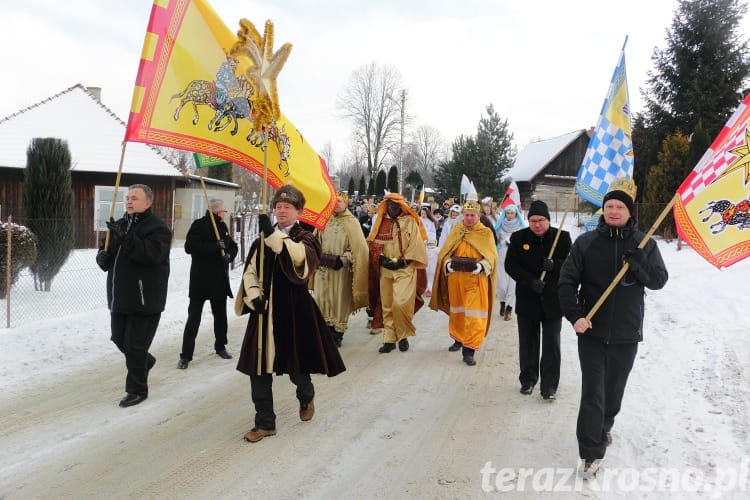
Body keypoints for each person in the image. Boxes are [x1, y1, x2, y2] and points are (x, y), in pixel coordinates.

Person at [558, 179, 668, 476]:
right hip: (591, 331)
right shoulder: (586, 243)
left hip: (626, 333)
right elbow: (566, 283)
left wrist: (639, 264)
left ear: (630, 212)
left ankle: (604, 426)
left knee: (614, 392)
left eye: (620, 207)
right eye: (609, 206)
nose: (615, 211)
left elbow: (658, 281)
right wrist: (575, 316)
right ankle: (590, 453)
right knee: (593, 391)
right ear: (603, 210)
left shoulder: (645, 244)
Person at [235, 184, 346, 443]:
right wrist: (254, 296)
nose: (281, 210)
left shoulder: (306, 238)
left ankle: (306, 396)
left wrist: (273, 237)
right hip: (263, 313)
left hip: (294, 312)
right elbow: (250, 271)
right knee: (258, 369)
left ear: (298, 211)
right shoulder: (263, 239)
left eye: (287, 207)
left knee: (297, 367)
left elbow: (298, 260)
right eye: (278, 206)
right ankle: (265, 423)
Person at [95, 184, 171, 407]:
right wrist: (102, 257)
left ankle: (137, 389)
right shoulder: (119, 226)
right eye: (127, 198)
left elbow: (150, 256)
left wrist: (127, 238)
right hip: (120, 297)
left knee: (135, 346)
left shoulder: (158, 229)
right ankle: (144, 361)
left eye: (134, 198)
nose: (128, 201)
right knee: (119, 339)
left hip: (145, 298)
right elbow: (109, 255)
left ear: (148, 203)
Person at [505, 200, 572, 399]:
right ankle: (528, 380)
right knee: (528, 342)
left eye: (541, 220)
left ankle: (549, 385)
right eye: (533, 220)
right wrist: (530, 281)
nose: (537, 224)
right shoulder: (518, 238)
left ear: (548, 220)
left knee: (552, 344)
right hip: (528, 299)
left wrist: (556, 265)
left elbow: (573, 263)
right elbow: (511, 265)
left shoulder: (563, 238)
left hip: (553, 301)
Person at [430, 194, 497, 366]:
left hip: (475, 280)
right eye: (466, 214)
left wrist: (482, 266)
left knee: (474, 316)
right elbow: (445, 252)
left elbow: (491, 256)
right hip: (456, 280)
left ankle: (470, 349)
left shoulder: (485, 233)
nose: (468, 218)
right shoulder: (456, 230)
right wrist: (447, 264)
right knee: (458, 312)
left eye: (472, 215)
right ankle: (458, 339)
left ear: (479, 216)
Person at [177, 198, 238, 369]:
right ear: (217, 211)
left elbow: (233, 246)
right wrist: (213, 246)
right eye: (223, 211)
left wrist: (229, 256)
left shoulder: (223, 227)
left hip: (219, 280)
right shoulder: (199, 224)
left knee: (220, 318)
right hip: (200, 281)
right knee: (193, 319)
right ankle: (186, 355)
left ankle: (221, 346)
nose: (224, 214)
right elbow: (189, 247)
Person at [367, 193, 428, 353]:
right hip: (385, 269)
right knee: (386, 304)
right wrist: (380, 259)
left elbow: (416, 246)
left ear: (401, 206)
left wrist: (402, 261)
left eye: (395, 205)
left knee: (400, 303)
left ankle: (403, 335)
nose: (392, 208)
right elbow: (372, 244)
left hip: (405, 269)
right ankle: (389, 339)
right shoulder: (380, 222)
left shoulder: (410, 222)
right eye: (389, 205)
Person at [313, 191, 369, 347]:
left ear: (346, 203)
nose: (336, 204)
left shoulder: (352, 222)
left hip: (340, 270)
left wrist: (344, 259)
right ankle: (325, 328)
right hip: (323, 268)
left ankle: (338, 332)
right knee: (322, 298)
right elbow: (314, 240)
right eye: (333, 201)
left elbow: (360, 248)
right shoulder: (324, 220)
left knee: (339, 299)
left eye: (339, 201)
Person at [493, 204, 527, 320]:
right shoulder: (500, 225)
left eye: (512, 213)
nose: (510, 215)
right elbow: (494, 240)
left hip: (516, 257)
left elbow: (525, 242)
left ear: (516, 214)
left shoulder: (521, 226)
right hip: (501, 255)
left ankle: (509, 308)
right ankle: (502, 302)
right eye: (508, 213)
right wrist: (501, 243)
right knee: (502, 285)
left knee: (512, 285)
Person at [420, 206, 439, 297]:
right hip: (420, 244)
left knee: (430, 270)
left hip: (429, 243)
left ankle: (430, 288)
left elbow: (433, 233)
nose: (423, 215)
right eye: (422, 213)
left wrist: (430, 241)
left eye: (424, 213)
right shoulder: (418, 220)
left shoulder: (431, 222)